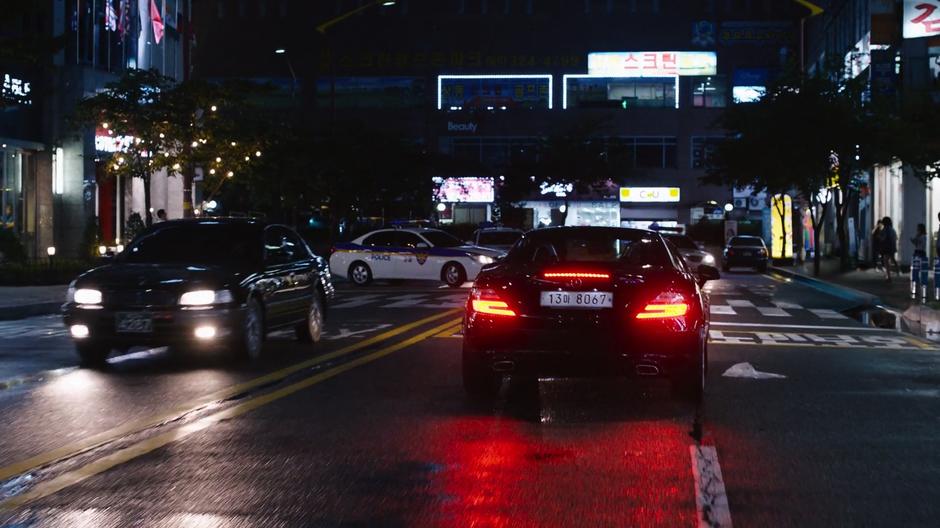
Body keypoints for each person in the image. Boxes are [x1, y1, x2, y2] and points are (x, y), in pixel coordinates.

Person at [881, 217, 899, 281]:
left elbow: (883, 238)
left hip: (887, 247)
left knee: (886, 261)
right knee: (892, 259)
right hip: (892, 246)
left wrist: (880, 238)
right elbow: (896, 238)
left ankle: (888, 276)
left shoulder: (885, 229)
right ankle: (897, 271)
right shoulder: (892, 229)